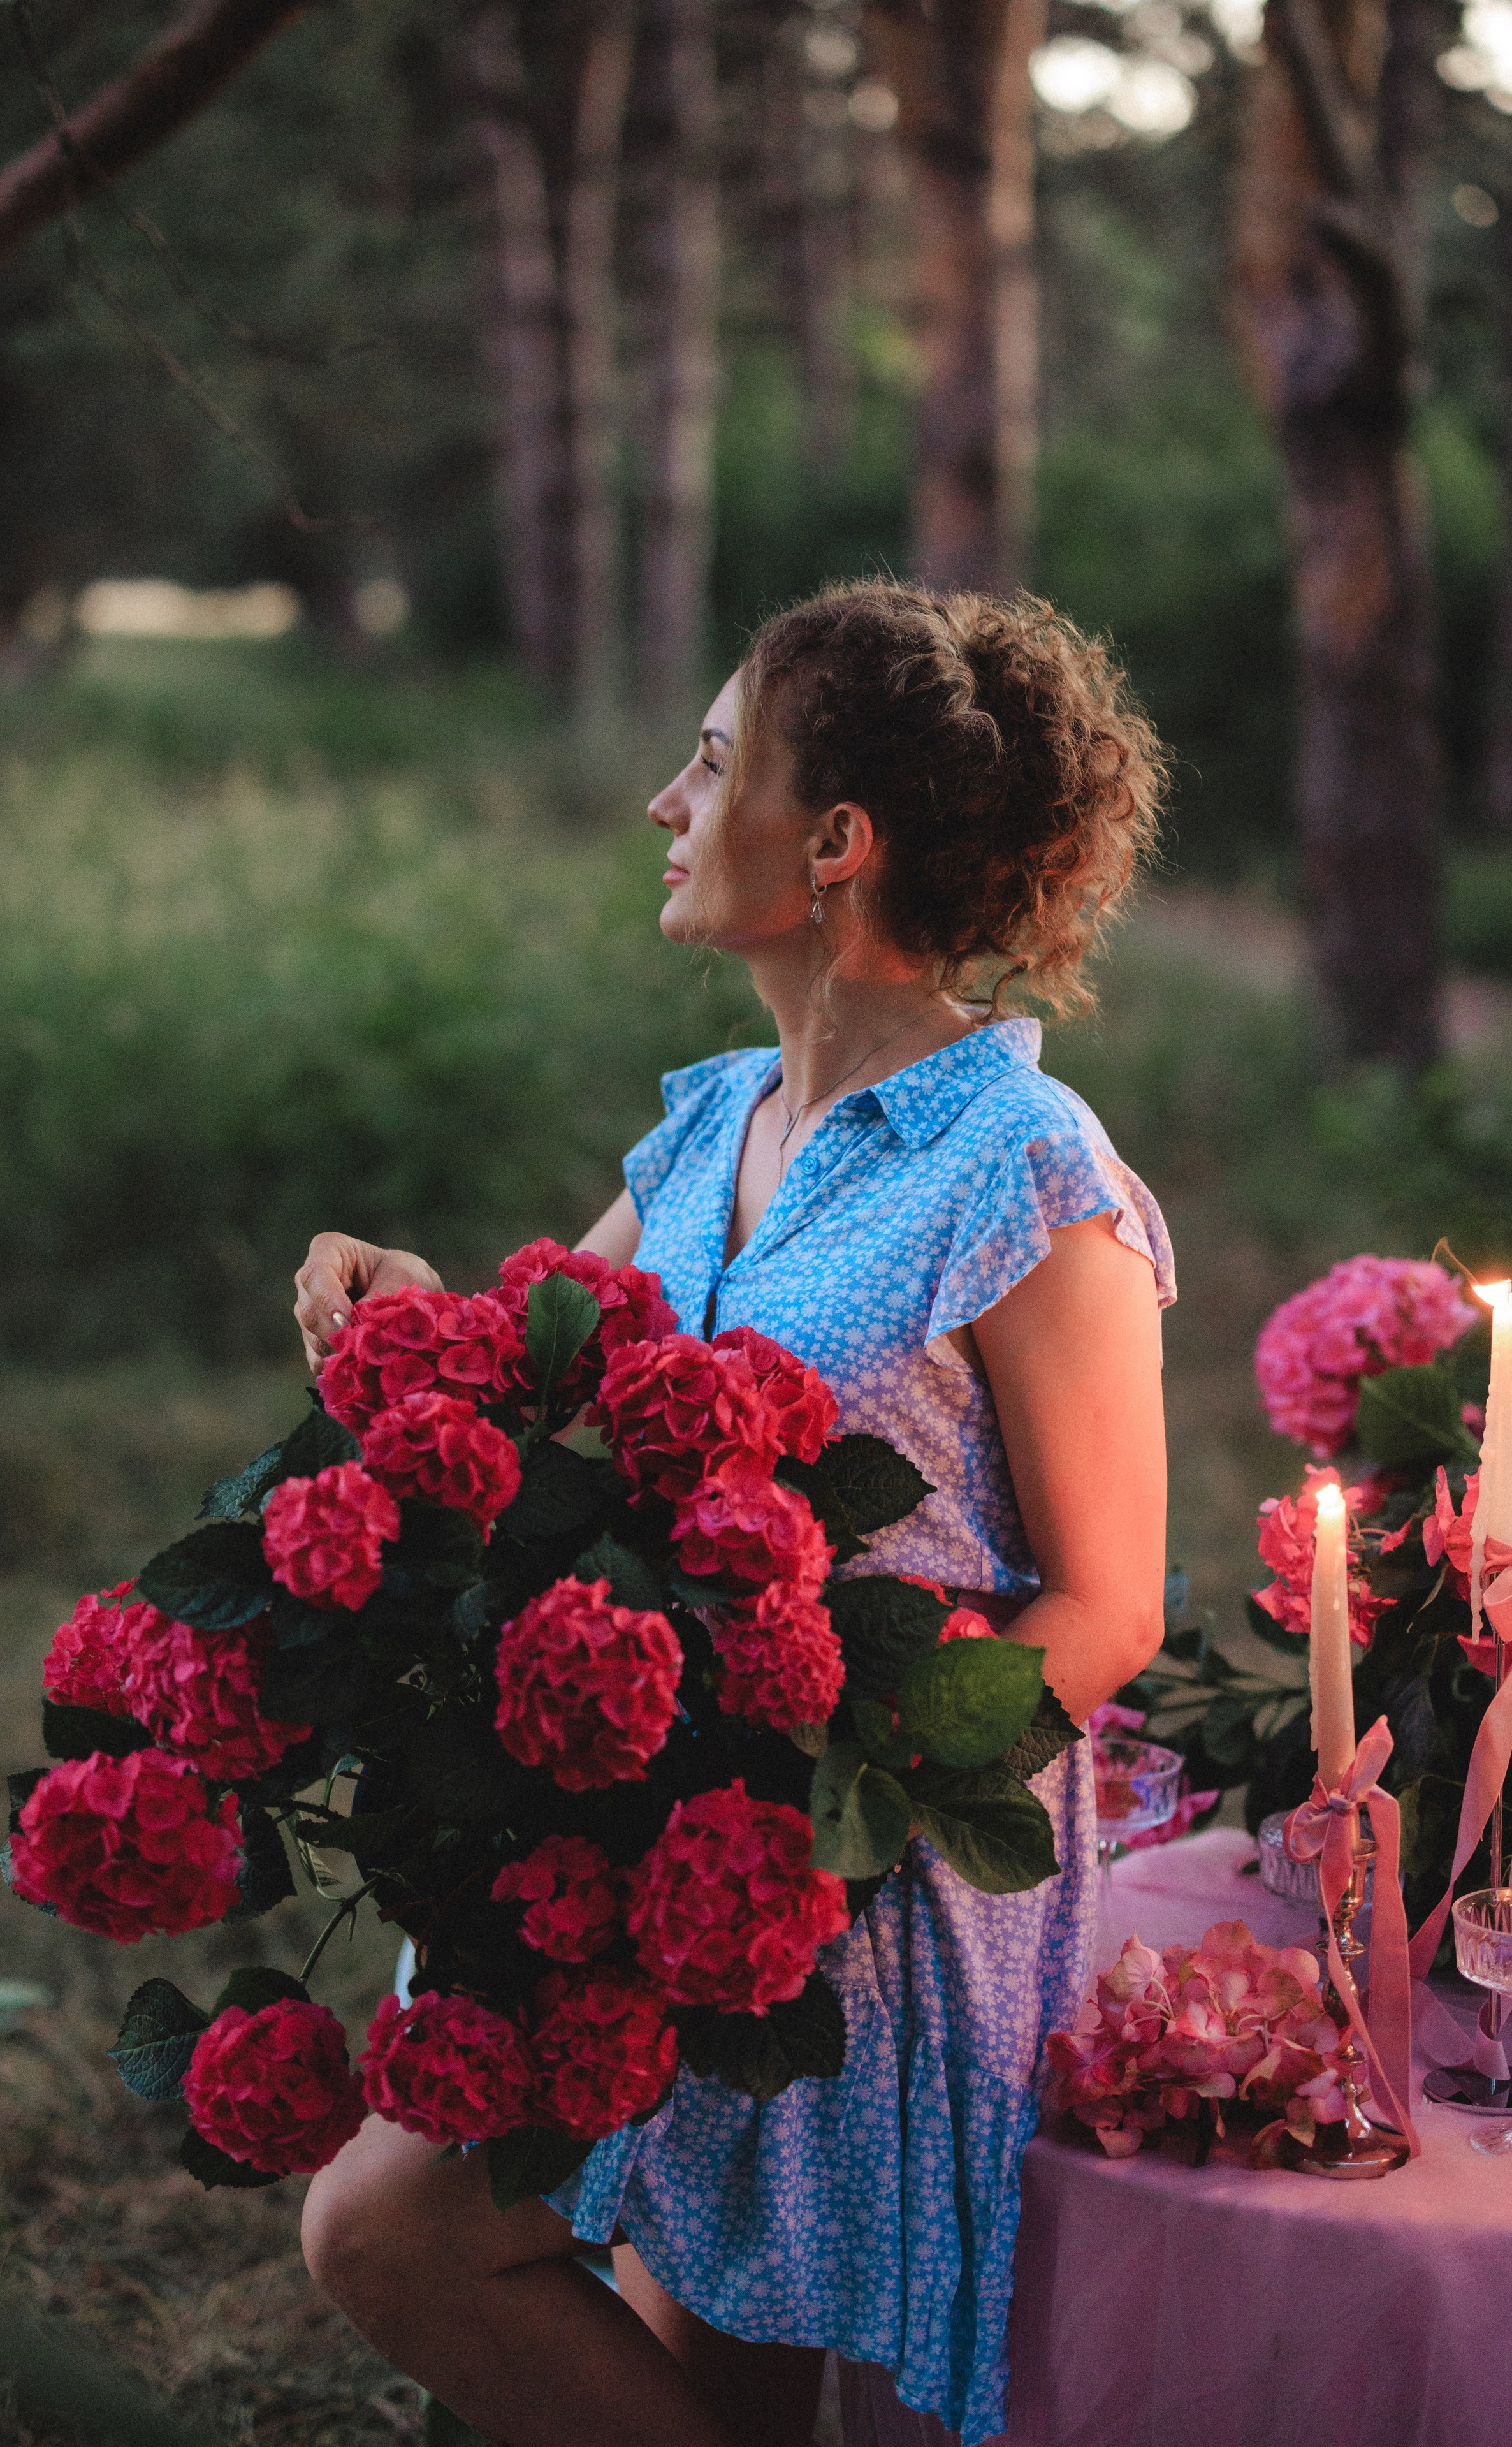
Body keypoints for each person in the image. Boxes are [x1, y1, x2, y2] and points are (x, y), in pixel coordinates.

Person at [292, 579, 1173, 2447]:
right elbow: (555, 1400)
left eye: (708, 765)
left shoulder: (1029, 1170)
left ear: (835, 845)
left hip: (860, 1876)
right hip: (646, 1833)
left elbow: (1105, 1612)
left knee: (392, 2229)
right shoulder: (709, 1128)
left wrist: (815, 1822)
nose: (662, 805)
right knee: (707, 2386)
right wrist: (411, 1305)